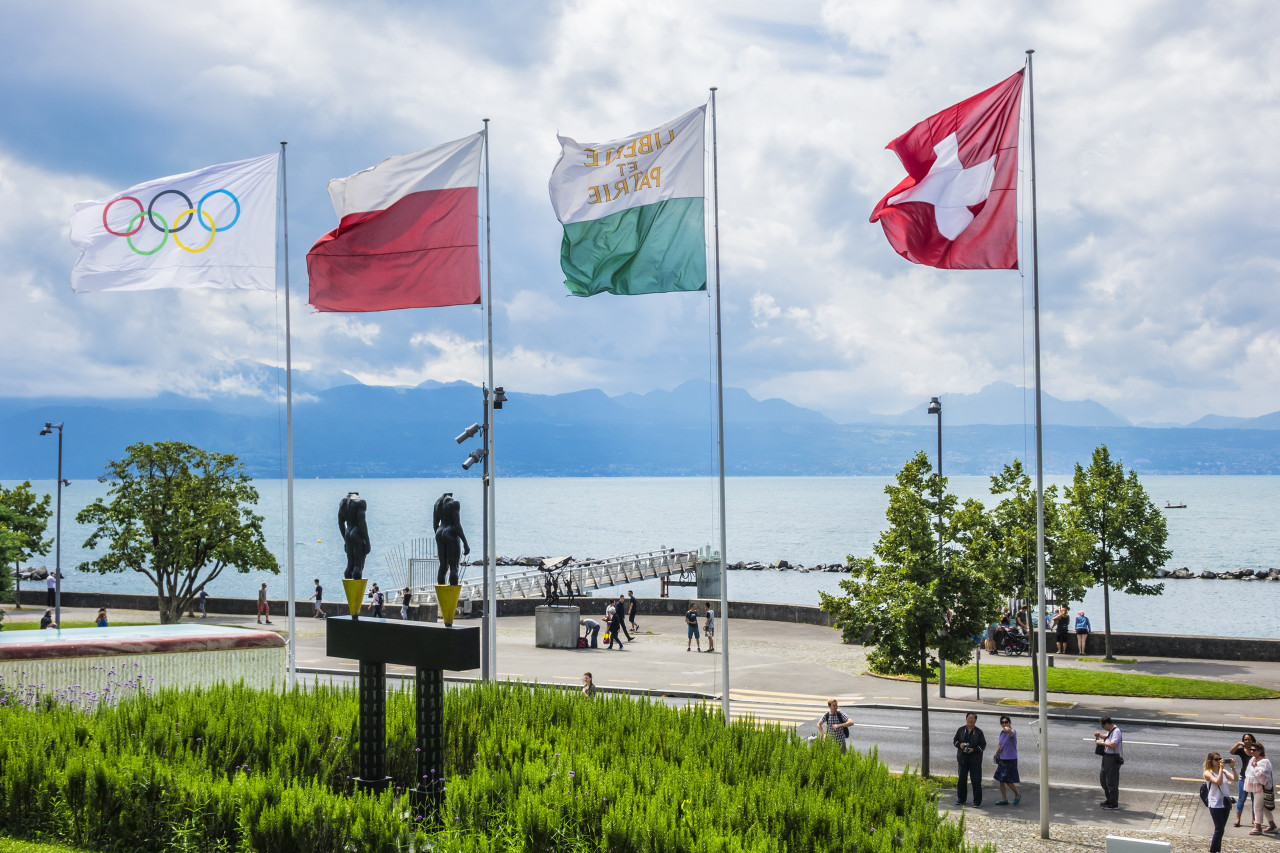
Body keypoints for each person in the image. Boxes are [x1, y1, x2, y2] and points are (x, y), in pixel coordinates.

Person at [433, 493, 470, 585]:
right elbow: (457, 525)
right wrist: (465, 543)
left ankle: (442, 596)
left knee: (443, 566)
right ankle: (452, 597)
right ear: (451, 494)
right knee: (454, 567)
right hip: (450, 532)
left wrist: (439, 539)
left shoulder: (437, 504)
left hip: (439, 532)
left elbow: (435, 525)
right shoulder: (454, 503)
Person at [1204, 751, 1238, 852]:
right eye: (1216, 759)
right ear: (1211, 761)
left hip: (1225, 803)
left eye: (1220, 759)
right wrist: (1221, 769)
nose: (1219, 761)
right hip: (1215, 803)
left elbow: (1235, 779)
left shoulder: (1223, 771)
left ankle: (1217, 850)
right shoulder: (1207, 773)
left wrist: (1232, 767)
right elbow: (1218, 782)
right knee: (1219, 829)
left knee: (1221, 829)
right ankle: (1213, 850)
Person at [1244, 742, 1277, 834]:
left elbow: (1262, 776)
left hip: (1262, 787)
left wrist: (1256, 767)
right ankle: (1272, 825)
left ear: (1260, 751)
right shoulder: (1253, 759)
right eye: (1251, 749)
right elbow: (1248, 772)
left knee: (1257, 807)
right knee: (1264, 808)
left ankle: (1257, 827)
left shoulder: (1264, 762)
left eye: (1254, 750)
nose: (1252, 751)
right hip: (1255, 787)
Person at [953, 712, 986, 807]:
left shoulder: (979, 732)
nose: (971, 720)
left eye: (973, 718)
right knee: (961, 780)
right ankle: (961, 799)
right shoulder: (961, 730)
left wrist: (974, 750)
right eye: (969, 718)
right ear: (966, 719)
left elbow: (983, 745)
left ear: (975, 720)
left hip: (975, 760)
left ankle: (977, 802)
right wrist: (960, 745)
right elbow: (955, 741)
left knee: (976, 781)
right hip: (962, 759)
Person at [338, 492, 371, 580]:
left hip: (348, 532)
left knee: (350, 565)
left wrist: (345, 539)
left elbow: (341, 523)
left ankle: (349, 587)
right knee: (358, 565)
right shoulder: (360, 502)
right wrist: (367, 542)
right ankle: (357, 592)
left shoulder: (342, 503)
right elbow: (362, 523)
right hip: (356, 533)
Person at [1094, 716, 1123, 809]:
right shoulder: (1110, 731)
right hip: (1106, 758)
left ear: (1107, 724)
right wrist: (1100, 736)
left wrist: (1101, 743)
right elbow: (1108, 737)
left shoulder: (1117, 731)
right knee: (1103, 780)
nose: (1103, 728)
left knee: (1111, 782)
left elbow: (1113, 744)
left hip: (1112, 759)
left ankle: (1113, 803)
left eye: (1102, 726)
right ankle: (1109, 799)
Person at [1231, 733, 1258, 826]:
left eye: (1249, 739)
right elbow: (1231, 752)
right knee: (1241, 799)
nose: (1247, 741)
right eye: (1245, 740)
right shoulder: (1242, 750)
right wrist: (1238, 744)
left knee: (1255, 800)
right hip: (1244, 778)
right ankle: (1238, 819)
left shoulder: (1256, 749)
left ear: (1252, 740)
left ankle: (1254, 819)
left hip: (1255, 779)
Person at [992, 715, 1020, 805]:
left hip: (1010, 759)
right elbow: (1000, 743)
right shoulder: (1002, 733)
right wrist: (998, 747)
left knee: (1008, 780)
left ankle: (1017, 794)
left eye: (1006, 722)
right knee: (1001, 780)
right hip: (1002, 759)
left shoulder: (1012, 732)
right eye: (1002, 722)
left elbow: (1011, 733)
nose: (1004, 724)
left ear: (1009, 723)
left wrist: (1008, 730)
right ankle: (1004, 799)